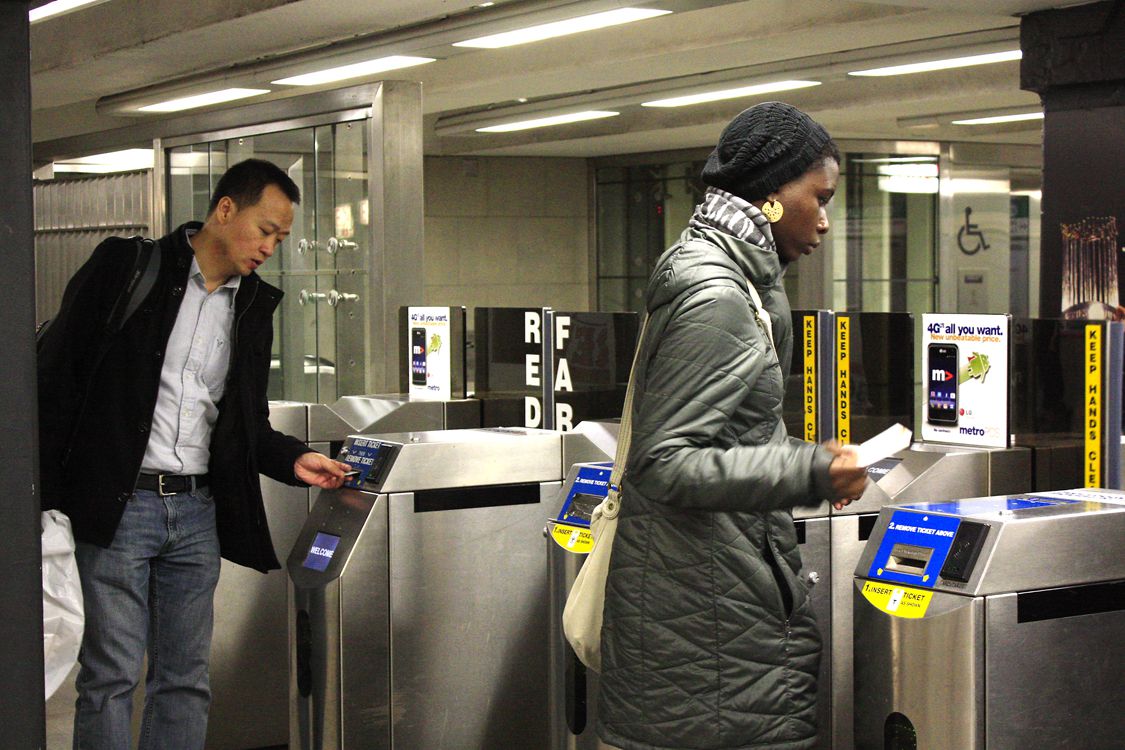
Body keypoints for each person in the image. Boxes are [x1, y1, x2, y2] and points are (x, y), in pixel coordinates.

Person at [37, 158, 350, 749]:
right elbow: (56, 380)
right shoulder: (128, 269)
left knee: (186, 679)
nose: (270, 248)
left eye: (281, 238)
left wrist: (292, 460)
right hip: (118, 507)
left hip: (196, 513)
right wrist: (50, 502)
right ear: (225, 209)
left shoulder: (254, 307)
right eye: (265, 230)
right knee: (111, 676)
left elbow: (242, 423)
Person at [597, 102, 868, 750]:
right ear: (771, 195)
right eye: (818, 198)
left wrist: (805, 458)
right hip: (706, 635)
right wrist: (807, 471)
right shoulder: (718, 294)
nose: (825, 221)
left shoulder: (727, 278)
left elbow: (725, 437)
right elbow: (663, 462)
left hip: (709, 610)